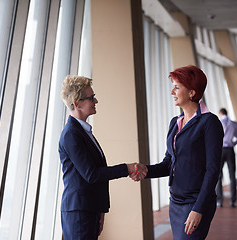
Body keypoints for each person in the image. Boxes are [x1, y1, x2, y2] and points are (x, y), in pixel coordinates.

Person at [133, 65, 223, 239]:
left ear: (192, 92)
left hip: (195, 202)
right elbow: (169, 163)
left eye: (177, 87)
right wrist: (146, 170)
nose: (172, 92)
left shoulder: (210, 123)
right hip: (175, 201)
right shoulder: (175, 122)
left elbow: (213, 170)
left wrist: (198, 208)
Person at [58, 75, 146, 239]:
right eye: (91, 98)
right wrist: (127, 168)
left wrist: (101, 210)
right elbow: (92, 174)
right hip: (79, 213)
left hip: (88, 209)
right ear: (77, 104)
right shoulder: (72, 134)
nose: (96, 101)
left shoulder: (82, 131)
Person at [215, 108, 237, 208]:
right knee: (232, 176)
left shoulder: (218, 122)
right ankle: (233, 201)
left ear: (220, 113)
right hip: (230, 150)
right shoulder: (234, 124)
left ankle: (219, 201)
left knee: (218, 176)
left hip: (220, 150)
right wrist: (232, 144)